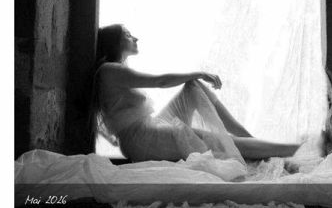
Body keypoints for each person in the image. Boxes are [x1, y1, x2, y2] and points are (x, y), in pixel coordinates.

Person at [90, 24, 303, 166]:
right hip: (142, 141)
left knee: (193, 87)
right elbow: (160, 82)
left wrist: (195, 77)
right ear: (115, 43)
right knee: (221, 141)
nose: (135, 38)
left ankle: (248, 139)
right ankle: (295, 150)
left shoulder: (113, 70)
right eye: (128, 35)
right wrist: (199, 72)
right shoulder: (110, 70)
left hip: (146, 131)